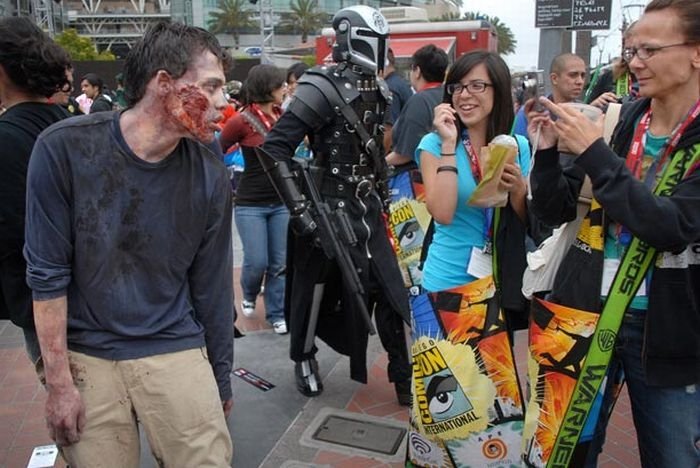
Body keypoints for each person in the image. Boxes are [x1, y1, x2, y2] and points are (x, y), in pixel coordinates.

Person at [24, 22, 235, 466]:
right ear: (164, 84)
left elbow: (212, 285)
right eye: (212, 86)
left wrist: (220, 381)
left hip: (175, 342)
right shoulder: (64, 149)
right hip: (87, 351)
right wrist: (60, 384)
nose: (224, 102)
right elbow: (46, 276)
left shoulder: (211, 172)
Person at [526, 0, 700, 465]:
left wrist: (595, 153)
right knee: (564, 452)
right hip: (585, 310)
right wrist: (545, 155)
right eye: (630, 50)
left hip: (666, 330)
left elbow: (673, 226)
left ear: (696, 52)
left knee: (672, 455)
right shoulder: (625, 120)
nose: (634, 62)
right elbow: (556, 209)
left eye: (648, 49)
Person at [259, 5, 410, 401]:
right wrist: (302, 213)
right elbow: (275, 149)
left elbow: (375, 152)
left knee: (390, 290)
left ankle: (402, 370)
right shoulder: (320, 85)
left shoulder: (381, 88)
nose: (378, 50)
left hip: (367, 208)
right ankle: (303, 357)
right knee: (315, 291)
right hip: (327, 208)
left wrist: (383, 196)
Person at [417, 49, 530, 320]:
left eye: (477, 85)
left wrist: (517, 189)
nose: (464, 95)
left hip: (498, 282)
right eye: (457, 87)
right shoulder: (433, 146)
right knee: (451, 363)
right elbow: (442, 214)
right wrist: (447, 143)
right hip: (446, 283)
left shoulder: (516, 146)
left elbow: (524, 219)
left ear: (498, 90)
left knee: (491, 364)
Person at [0, 17, 72, 364]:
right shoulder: (71, 125)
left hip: (44, 306)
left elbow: (16, 233)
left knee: (78, 409)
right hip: (98, 298)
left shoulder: (5, 139)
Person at [220, 64, 289, 334]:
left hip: (281, 200)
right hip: (250, 203)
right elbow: (218, 148)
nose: (284, 89)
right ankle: (248, 293)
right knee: (257, 260)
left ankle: (277, 313)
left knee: (279, 263)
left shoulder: (286, 117)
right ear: (266, 88)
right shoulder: (241, 120)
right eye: (279, 85)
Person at [386, 44, 448, 167]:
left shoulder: (419, 101)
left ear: (418, 71)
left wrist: (380, 165)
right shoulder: (448, 95)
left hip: (415, 175)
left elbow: (406, 153)